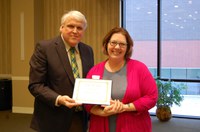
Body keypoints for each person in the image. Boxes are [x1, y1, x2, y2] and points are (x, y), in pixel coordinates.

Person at [28, 10, 94, 132]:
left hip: (79, 117)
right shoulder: (45, 48)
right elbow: (35, 85)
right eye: (70, 26)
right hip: (53, 118)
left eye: (79, 28)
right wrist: (58, 99)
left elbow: (89, 81)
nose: (75, 31)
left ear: (83, 31)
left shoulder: (88, 50)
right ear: (61, 27)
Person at [84, 27, 158, 132]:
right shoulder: (94, 71)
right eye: (113, 43)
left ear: (128, 48)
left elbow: (152, 97)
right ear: (106, 44)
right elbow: (87, 103)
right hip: (100, 126)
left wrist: (124, 107)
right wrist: (103, 112)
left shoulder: (139, 68)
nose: (117, 47)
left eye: (122, 44)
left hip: (134, 127)